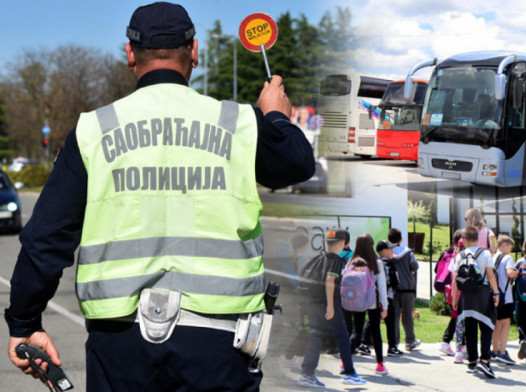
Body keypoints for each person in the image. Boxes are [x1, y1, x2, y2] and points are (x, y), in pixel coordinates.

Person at [5, 3, 315, 391]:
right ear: (195, 52)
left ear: (130, 54)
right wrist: (275, 118)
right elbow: (298, 164)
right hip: (219, 344)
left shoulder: (94, 130)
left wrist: (24, 324)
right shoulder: (238, 123)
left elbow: (45, 238)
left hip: (120, 345)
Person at [298, 229, 366, 387]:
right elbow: (330, 280)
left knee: (315, 336)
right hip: (327, 304)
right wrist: (330, 306)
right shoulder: (335, 259)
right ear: (342, 243)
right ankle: (349, 373)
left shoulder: (319, 257)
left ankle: (306, 374)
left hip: (313, 303)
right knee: (342, 336)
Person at [451, 226, 499, 378]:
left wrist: (454, 299)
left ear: (464, 240)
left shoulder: (460, 255)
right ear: (478, 239)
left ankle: (472, 362)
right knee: (486, 327)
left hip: (466, 296)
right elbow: (490, 275)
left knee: (470, 328)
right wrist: (496, 292)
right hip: (483, 294)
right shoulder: (485, 253)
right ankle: (484, 360)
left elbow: (455, 279)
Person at [346, 234, 389, 375]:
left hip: (355, 301)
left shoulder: (352, 262)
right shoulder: (375, 263)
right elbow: (382, 286)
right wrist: (385, 306)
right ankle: (380, 365)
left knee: (356, 331)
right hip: (371, 302)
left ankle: (345, 363)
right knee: (376, 331)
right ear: (370, 245)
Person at [388, 228, 421, 351]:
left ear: (388, 240)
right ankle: (410, 341)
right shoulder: (408, 253)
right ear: (401, 239)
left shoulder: (388, 253)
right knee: (407, 316)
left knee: (395, 316)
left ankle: (395, 343)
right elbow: (415, 266)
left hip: (393, 289)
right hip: (407, 289)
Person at [438, 231, 465, 358]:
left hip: (453, 292)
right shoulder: (462, 258)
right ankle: (448, 341)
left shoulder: (450, 254)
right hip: (460, 293)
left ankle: (459, 344)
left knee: (458, 318)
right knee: (458, 318)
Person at [374, 240, 403, 357]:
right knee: (390, 322)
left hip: (376, 297)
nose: (393, 251)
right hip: (388, 297)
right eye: (390, 249)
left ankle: (364, 344)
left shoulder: (375, 262)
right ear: (383, 251)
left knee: (373, 320)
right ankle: (392, 347)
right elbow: (395, 281)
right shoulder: (390, 264)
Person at [492, 234, 517, 365]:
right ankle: (502, 351)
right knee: (505, 323)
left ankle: (494, 350)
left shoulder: (493, 256)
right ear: (504, 245)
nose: (510, 251)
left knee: (496, 324)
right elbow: (510, 273)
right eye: (510, 248)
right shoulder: (507, 258)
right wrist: (517, 271)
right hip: (505, 296)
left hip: (495, 295)